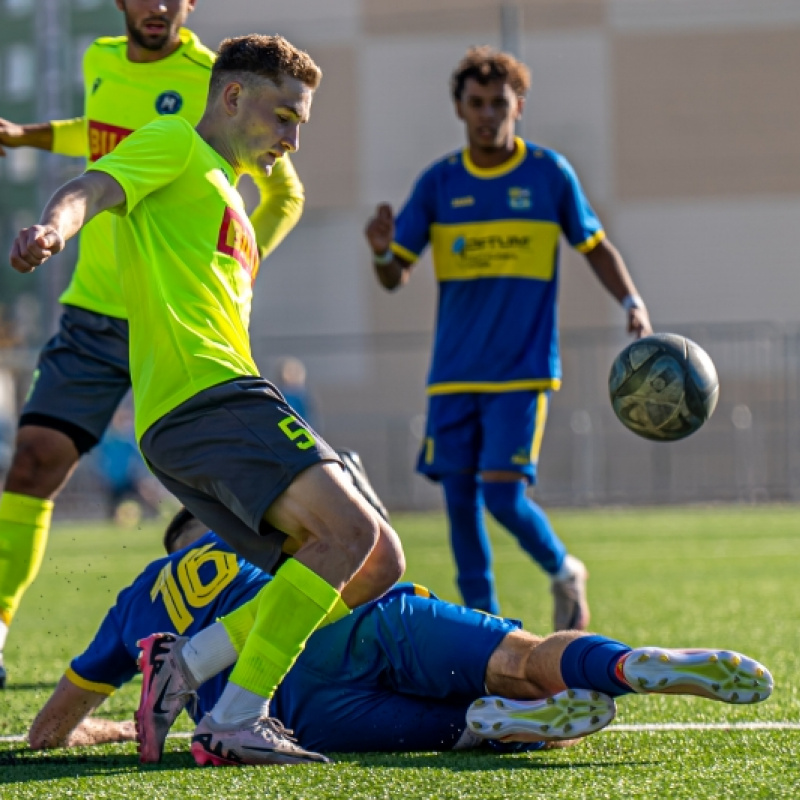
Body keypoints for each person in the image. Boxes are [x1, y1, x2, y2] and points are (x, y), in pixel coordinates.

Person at [10, 33, 405, 766]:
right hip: (209, 397)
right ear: (232, 97)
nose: (291, 138)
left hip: (205, 412)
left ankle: (188, 669)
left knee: (374, 560)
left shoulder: (228, 192)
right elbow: (92, 186)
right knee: (352, 537)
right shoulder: (173, 144)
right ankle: (234, 713)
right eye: (285, 117)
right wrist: (52, 231)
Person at [0, 0, 306, 689]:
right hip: (96, 310)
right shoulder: (99, 59)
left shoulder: (221, 81)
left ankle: (235, 651)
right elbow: (101, 139)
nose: (159, 6)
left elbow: (284, 193)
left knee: (243, 510)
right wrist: (27, 138)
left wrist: (229, 270)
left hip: (177, 322)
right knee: (33, 462)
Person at [27, 501, 773, 759]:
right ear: (216, 522)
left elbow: (49, 731)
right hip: (358, 624)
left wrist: (114, 730)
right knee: (522, 656)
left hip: (296, 712)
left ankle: (500, 725)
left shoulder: (134, 602)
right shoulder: (266, 532)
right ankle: (632, 663)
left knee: (468, 728)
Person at [364, 46, 653, 629]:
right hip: (452, 372)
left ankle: (564, 569)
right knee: (458, 502)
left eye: (499, 103)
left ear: (519, 105)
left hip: (520, 370)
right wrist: (379, 252)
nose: (488, 114)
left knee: (500, 495)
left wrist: (631, 299)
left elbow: (593, 246)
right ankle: (487, 631)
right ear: (459, 107)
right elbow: (396, 275)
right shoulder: (441, 183)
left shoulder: (548, 174)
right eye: (477, 103)